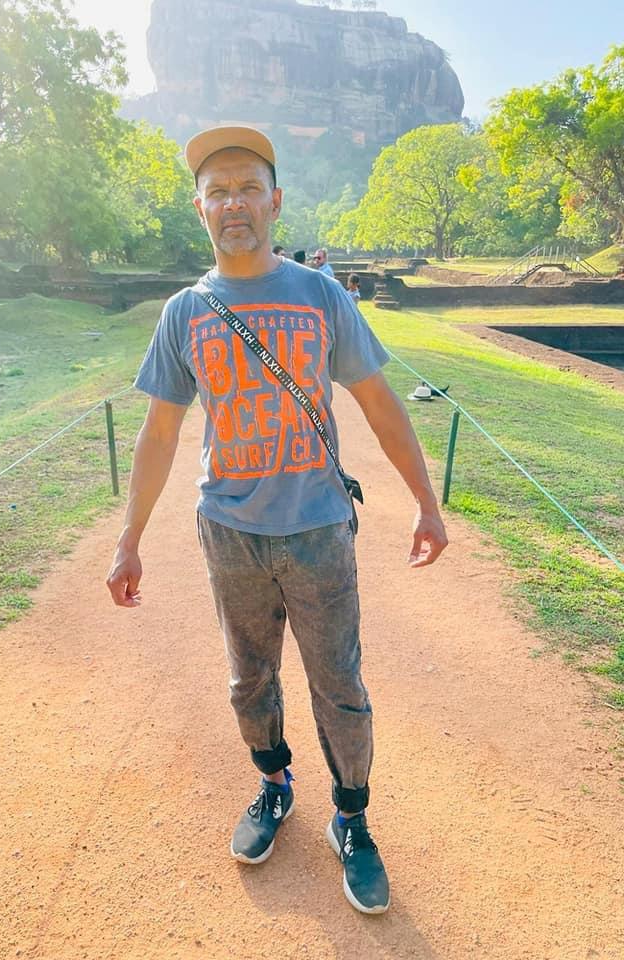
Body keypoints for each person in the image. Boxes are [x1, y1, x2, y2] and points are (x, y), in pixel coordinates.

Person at [106, 125, 448, 915]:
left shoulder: (321, 296)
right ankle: (274, 782)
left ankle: (351, 818)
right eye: (218, 191)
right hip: (229, 534)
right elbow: (160, 433)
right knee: (248, 678)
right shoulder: (185, 313)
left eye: (248, 188)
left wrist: (427, 504)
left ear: (275, 201)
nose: (235, 203)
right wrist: (129, 539)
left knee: (340, 683)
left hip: (319, 528)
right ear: (200, 209)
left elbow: (378, 401)